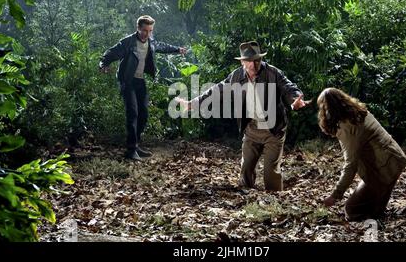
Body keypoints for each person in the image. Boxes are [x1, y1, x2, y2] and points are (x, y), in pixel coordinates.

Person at [177, 41, 309, 191]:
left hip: (273, 130)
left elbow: (288, 87)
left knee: (270, 173)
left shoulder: (273, 73)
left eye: (256, 61)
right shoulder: (236, 76)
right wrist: (192, 103)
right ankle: (247, 201)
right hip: (251, 130)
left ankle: (275, 204)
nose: (252, 65)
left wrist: (295, 100)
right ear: (242, 62)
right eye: (248, 61)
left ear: (260, 60)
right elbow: (215, 91)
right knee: (246, 169)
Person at [99, 15, 187, 160]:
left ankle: (136, 145)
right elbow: (110, 53)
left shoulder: (151, 41)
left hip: (140, 81)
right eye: (145, 30)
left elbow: (162, 46)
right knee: (132, 113)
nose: (147, 34)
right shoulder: (128, 42)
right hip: (127, 81)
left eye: (150, 30)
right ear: (138, 28)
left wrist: (178, 49)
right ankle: (131, 150)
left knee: (144, 114)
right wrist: (103, 64)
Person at [317, 87, 406, 221]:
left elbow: (350, 165)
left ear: (327, 109)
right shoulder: (358, 111)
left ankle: (375, 220)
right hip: (395, 159)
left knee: (352, 210)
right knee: (374, 208)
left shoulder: (347, 126)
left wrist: (335, 195)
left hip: (384, 169)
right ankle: (377, 211)